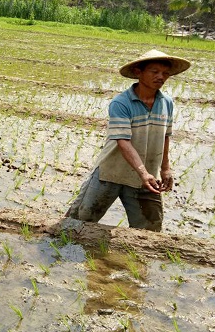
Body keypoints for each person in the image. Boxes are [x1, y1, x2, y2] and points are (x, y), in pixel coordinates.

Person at [65, 49, 191, 231]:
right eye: (154, 72)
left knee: (150, 230)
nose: (161, 77)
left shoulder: (166, 103)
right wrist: (143, 172)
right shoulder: (121, 103)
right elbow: (123, 141)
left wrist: (165, 168)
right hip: (112, 173)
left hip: (146, 176)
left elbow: (165, 136)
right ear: (138, 73)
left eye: (165, 73)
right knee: (79, 221)